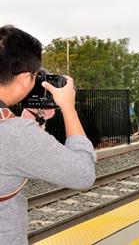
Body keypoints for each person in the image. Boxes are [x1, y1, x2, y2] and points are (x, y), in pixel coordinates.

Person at [0, 26, 96, 245]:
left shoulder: (14, 131)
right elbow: (83, 173)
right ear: (25, 78)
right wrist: (68, 107)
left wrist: (27, 121)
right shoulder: (15, 135)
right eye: (35, 76)